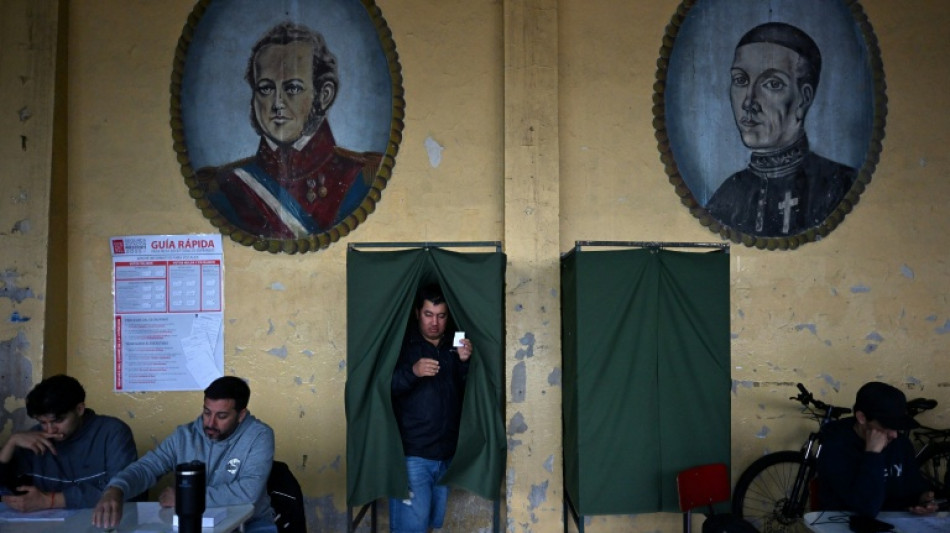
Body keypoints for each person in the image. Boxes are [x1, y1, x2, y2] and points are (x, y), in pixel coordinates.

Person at [198, 21, 382, 240]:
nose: (277, 103)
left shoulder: (364, 176)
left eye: (292, 88)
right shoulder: (222, 186)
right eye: (265, 88)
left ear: (324, 95)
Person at [705, 22, 857, 237]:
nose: (749, 102)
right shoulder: (728, 195)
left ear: (803, 99)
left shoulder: (839, 185)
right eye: (740, 80)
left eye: (772, 84)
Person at [93, 376, 276, 533]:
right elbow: (148, 467)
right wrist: (116, 488)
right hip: (195, 523)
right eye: (206, 412)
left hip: (251, 523)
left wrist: (186, 498)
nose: (210, 423)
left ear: (241, 415)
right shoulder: (184, 436)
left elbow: (249, 490)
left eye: (221, 416)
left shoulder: (259, 436)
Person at [390, 284, 473, 533]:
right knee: (410, 527)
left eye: (441, 315)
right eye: (428, 314)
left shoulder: (455, 344)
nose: (434, 322)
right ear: (417, 313)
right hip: (413, 454)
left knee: (431, 524)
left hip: (446, 455)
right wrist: (412, 372)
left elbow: (471, 393)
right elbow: (382, 388)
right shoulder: (402, 345)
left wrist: (465, 363)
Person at [0, 374, 137, 511]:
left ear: (79, 410)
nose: (50, 430)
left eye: (58, 421)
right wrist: (10, 444)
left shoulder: (112, 432)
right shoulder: (33, 439)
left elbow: (123, 490)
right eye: (42, 422)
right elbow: (7, 488)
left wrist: (49, 500)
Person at [816, 381, 939, 517]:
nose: (894, 434)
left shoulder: (900, 443)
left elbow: (913, 484)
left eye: (897, 426)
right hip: (844, 522)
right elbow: (865, 507)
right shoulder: (836, 446)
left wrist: (922, 499)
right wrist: (872, 454)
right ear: (862, 417)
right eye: (887, 425)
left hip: (894, 522)